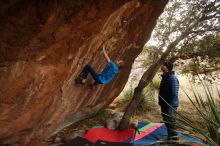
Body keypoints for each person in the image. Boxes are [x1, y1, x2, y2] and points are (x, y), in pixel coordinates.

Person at [158, 61, 179, 140]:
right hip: (165, 105)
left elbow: (174, 93)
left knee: (171, 123)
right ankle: (170, 139)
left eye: (163, 65)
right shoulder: (165, 77)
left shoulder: (172, 78)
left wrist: (169, 105)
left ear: (167, 67)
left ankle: (174, 140)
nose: (162, 66)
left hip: (170, 105)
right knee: (167, 123)